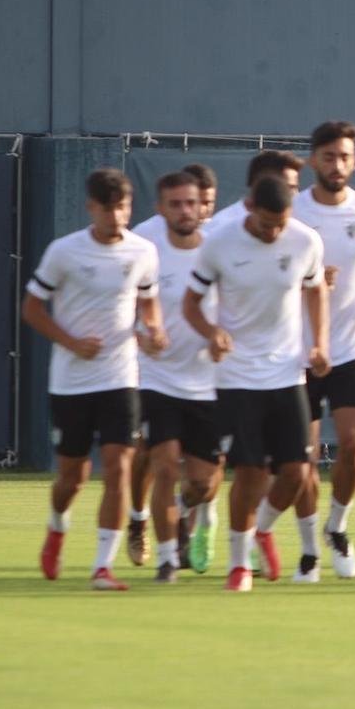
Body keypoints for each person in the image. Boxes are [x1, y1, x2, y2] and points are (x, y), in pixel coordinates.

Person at [183, 174, 329, 592]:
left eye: (280, 223)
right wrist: (212, 333)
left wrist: (319, 343)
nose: (274, 232)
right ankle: (238, 564)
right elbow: (191, 303)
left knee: (298, 473)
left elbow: (316, 292)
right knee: (248, 473)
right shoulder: (219, 243)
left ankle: (262, 529)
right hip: (237, 375)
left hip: (287, 373)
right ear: (250, 208)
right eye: (266, 223)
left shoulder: (305, 242)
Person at [24, 168, 165, 590]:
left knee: (121, 468)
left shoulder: (143, 252)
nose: (116, 216)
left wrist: (154, 332)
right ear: (91, 208)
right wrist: (70, 341)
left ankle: (102, 566)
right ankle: (56, 528)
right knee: (73, 478)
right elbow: (31, 309)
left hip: (121, 376)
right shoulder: (64, 252)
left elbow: (150, 307)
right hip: (71, 382)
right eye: (108, 208)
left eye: (123, 207)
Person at [291, 121, 355, 581]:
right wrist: (307, 283)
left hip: (352, 348)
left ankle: (337, 526)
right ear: (314, 160)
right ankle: (310, 549)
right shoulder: (292, 211)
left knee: (354, 447)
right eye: (329, 156)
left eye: (345, 157)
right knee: (303, 458)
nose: (337, 165)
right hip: (299, 351)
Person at [137, 171, 227, 582]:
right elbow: (124, 308)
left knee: (203, 484)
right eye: (176, 204)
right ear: (161, 209)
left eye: (192, 203)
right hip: (157, 378)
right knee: (165, 465)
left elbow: (239, 307)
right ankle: (167, 558)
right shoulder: (145, 249)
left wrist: (222, 338)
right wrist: (143, 336)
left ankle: (192, 515)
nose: (185, 211)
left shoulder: (219, 250)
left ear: (203, 206)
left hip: (210, 382)